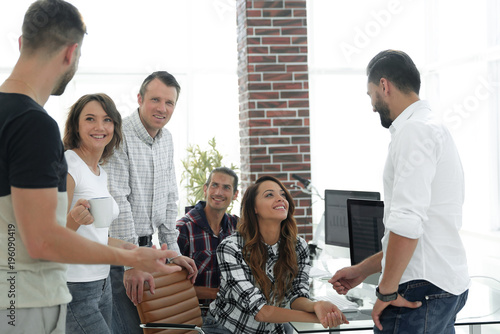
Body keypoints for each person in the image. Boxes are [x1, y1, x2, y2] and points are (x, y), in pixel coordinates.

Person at [0, 1, 182, 333]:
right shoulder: (34, 125)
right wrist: (133, 258)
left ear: (22, 44)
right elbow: (41, 241)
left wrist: (133, 251)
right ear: (71, 54)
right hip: (28, 301)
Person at [329, 50, 470, 333]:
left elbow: (406, 223)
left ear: (384, 86)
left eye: (370, 95)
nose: (372, 106)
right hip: (442, 286)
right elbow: (414, 233)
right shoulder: (432, 127)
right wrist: (361, 271)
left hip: (418, 291)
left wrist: (385, 292)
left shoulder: (414, 131)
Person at [105, 71, 197, 334]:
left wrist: (175, 253)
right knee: (129, 330)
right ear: (139, 99)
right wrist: (132, 262)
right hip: (119, 256)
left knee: (155, 328)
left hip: (151, 252)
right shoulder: (119, 134)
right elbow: (118, 201)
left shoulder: (166, 138)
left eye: (169, 103)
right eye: (155, 99)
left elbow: (170, 197)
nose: (162, 108)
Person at [203, 175, 348, 334]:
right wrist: (321, 317)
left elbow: (296, 296)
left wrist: (316, 305)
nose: (280, 199)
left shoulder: (298, 246)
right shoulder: (231, 248)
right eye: (269, 195)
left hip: (272, 329)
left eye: (283, 195)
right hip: (228, 329)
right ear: (254, 208)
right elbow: (260, 312)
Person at [63, 93, 132, 333]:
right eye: (90, 119)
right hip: (75, 286)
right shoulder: (69, 164)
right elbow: (49, 235)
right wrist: (73, 219)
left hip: (103, 283)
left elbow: (96, 235)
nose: (100, 127)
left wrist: (130, 249)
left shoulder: (100, 172)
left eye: (107, 120)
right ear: (76, 126)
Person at [177, 167, 239, 306]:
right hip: (197, 314)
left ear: (235, 194)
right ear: (205, 189)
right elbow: (169, 286)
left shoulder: (236, 226)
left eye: (226, 188)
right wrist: (217, 294)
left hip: (232, 313)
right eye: (214, 185)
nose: (218, 192)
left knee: (282, 326)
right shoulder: (183, 229)